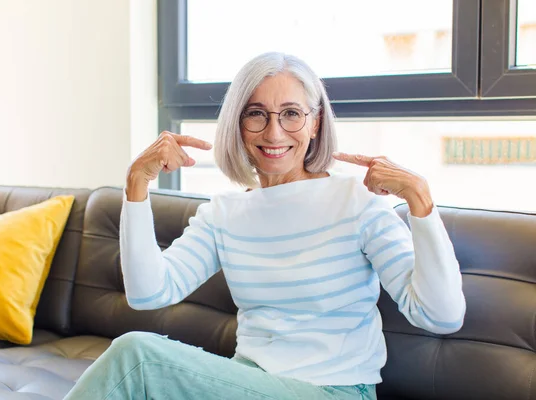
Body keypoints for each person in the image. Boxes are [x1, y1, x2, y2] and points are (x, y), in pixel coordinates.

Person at [64, 52, 466, 400]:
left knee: (137, 357)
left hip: (333, 390)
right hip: (247, 382)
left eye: (291, 114)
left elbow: (441, 316)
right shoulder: (225, 214)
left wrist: (419, 200)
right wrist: (136, 184)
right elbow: (149, 294)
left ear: (315, 122)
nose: (274, 132)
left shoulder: (357, 204)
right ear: (237, 124)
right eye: (256, 114)